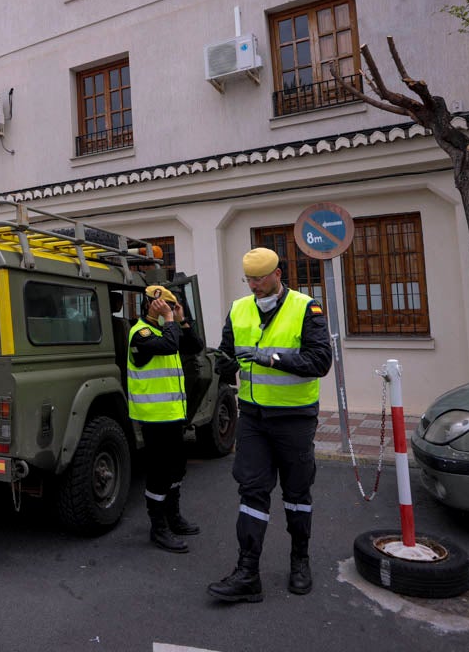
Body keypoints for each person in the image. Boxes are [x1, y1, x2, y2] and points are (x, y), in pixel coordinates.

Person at [207, 247, 332, 602]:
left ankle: (300, 561)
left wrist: (270, 357)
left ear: (278, 274)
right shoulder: (239, 308)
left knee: (296, 494)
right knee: (251, 491)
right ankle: (248, 573)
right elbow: (228, 352)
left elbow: (320, 360)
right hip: (254, 418)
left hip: (294, 419)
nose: (254, 286)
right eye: (249, 279)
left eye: (260, 279)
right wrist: (223, 364)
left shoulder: (307, 308)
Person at [128, 284, 205, 553]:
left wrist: (182, 319)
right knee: (159, 472)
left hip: (173, 415)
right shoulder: (142, 334)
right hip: (153, 416)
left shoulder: (165, 330)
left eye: (170, 307)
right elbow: (170, 345)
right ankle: (158, 528)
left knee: (177, 468)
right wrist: (171, 320)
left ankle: (173, 517)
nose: (167, 311)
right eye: (164, 306)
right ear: (150, 305)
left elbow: (195, 345)